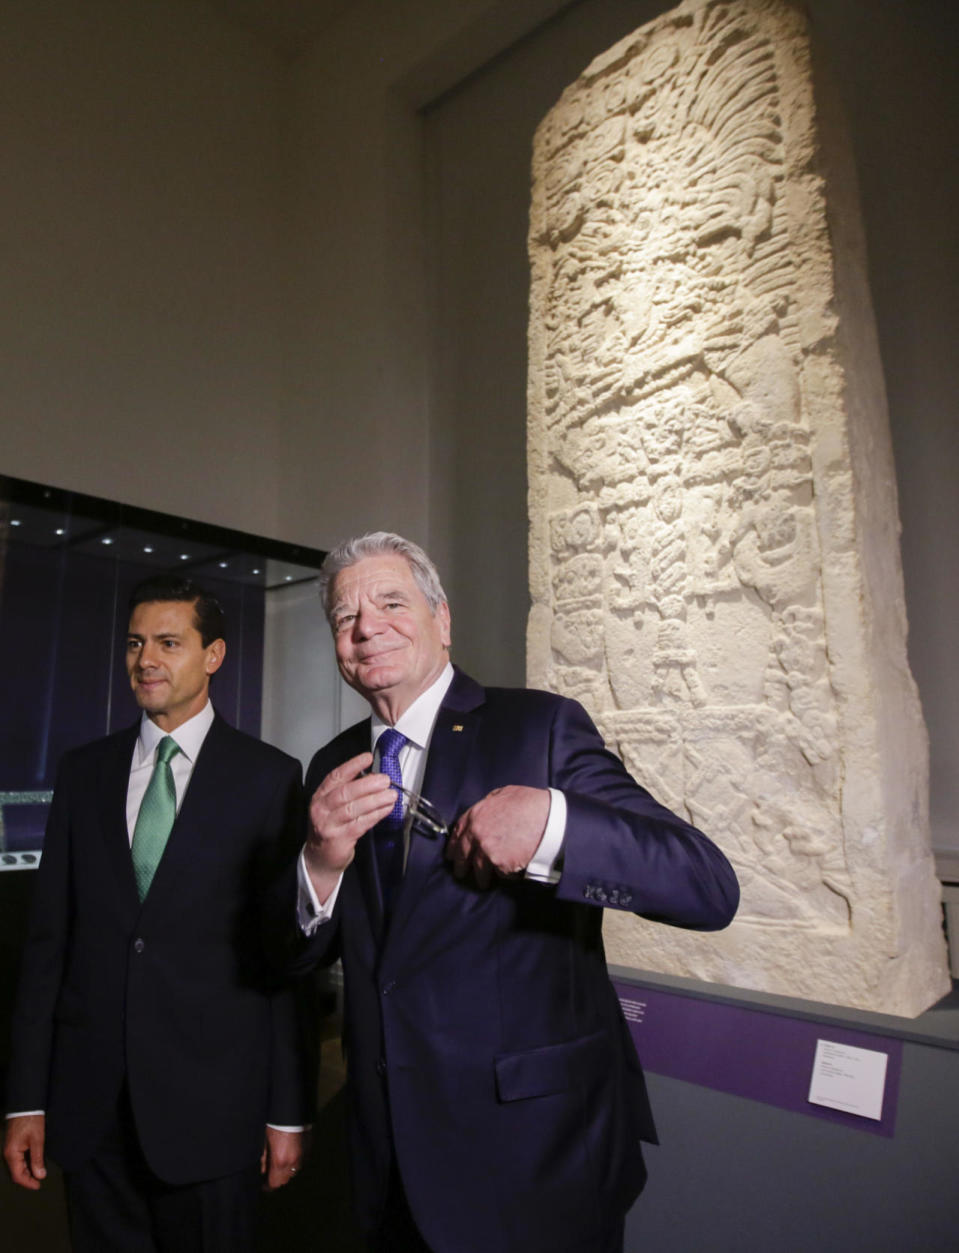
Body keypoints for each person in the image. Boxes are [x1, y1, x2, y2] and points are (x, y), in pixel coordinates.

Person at [287, 532, 740, 1253]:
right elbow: (295, 958)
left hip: (536, 1156)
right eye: (345, 618)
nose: (366, 626)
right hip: (387, 1158)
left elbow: (705, 883)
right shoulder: (330, 762)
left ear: (442, 619)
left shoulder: (542, 726)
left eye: (391, 602)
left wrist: (553, 824)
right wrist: (317, 865)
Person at [4, 574, 310, 1253]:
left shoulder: (269, 778)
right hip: (91, 1109)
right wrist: (27, 1097)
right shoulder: (83, 770)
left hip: (214, 1113)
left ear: (215, 655)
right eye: (137, 642)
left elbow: (281, 959)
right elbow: (48, 940)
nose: (147, 659)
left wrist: (287, 1109)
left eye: (170, 642)